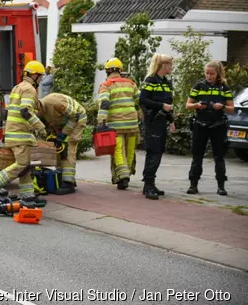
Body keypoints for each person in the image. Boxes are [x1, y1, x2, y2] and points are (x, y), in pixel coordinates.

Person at [0, 61, 47, 206]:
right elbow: (25, 111)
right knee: (23, 164)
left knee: (26, 168)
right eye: (41, 77)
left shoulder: (17, 88)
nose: (41, 80)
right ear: (35, 75)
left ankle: (28, 196)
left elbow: (10, 111)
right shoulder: (29, 89)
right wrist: (40, 127)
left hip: (12, 133)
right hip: (21, 134)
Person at [185, 61, 234, 196]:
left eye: (212, 74)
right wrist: (197, 105)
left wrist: (222, 107)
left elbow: (231, 108)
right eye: (207, 73)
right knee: (197, 155)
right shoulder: (199, 86)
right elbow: (188, 105)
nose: (209, 76)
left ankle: (221, 186)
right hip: (200, 124)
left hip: (218, 125)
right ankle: (193, 184)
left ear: (218, 73)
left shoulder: (224, 89)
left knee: (219, 156)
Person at [97, 58, 141, 191]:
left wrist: (101, 120)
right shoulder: (131, 83)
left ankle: (123, 176)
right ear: (120, 70)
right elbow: (139, 101)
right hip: (132, 124)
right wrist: (140, 115)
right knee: (130, 150)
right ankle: (127, 172)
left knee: (118, 150)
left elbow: (104, 103)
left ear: (107, 71)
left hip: (116, 125)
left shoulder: (106, 85)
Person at [139, 54, 175, 200]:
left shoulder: (166, 82)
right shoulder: (151, 80)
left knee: (158, 152)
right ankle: (148, 185)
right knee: (153, 152)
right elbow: (143, 99)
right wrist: (161, 106)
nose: (171, 67)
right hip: (152, 122)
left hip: (161, 122)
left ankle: (150, 183)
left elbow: (169, 102)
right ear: (163, 65)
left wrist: (171, 120)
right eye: (170, 65)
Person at [38, 93, 87, 194]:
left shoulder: (55, 103)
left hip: (77, 120)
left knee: (68, 149)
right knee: (59, 149)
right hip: (65, 123)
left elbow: (75, 116)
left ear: (38, 107)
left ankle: (68, 183)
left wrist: (63, 134)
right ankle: (62, 177)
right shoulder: (43, 110)